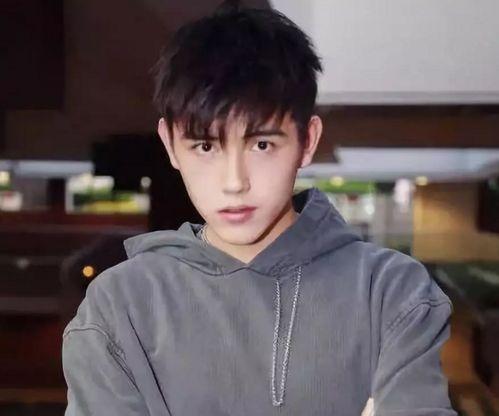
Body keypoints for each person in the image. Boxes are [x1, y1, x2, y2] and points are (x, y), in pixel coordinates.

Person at [62, 1, 457, 415]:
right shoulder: (120, 304)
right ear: (170, 145)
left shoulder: (389, 291)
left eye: (262, 144)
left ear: (307, 141)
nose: (235, 182)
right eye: (205, 146)